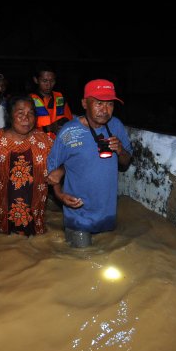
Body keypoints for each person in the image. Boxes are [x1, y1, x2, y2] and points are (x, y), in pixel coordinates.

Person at [47, 79, 132, 247]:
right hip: (78, 212)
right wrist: (60, 195)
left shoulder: (116, 126)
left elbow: (126, 162)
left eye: (110, 105)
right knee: (83, 257)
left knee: (108, 254)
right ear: (85, 103)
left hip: (107, 211)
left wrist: (120, 150)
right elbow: (52, 172)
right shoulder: (69, 132)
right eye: (99, 103)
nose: (105, 110)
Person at [0, 96, 53, 236]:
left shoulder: (45, 141)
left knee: (36, 248)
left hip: (35, 213)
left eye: (31, 113)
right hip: (0, 212)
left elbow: (61, 167)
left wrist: (59, 172)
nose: (26, 118)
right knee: (4, 248)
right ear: (10, 116)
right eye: (20, 113)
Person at [30, 66, 72, 138]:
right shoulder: (29, 100)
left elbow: (70, 122)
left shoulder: (60, 98)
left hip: (59, 143)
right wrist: (49, 128)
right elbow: (25, 129)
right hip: (38, 143)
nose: (48, 85)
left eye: (52, 81)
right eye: (44, 81)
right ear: (36, 80)